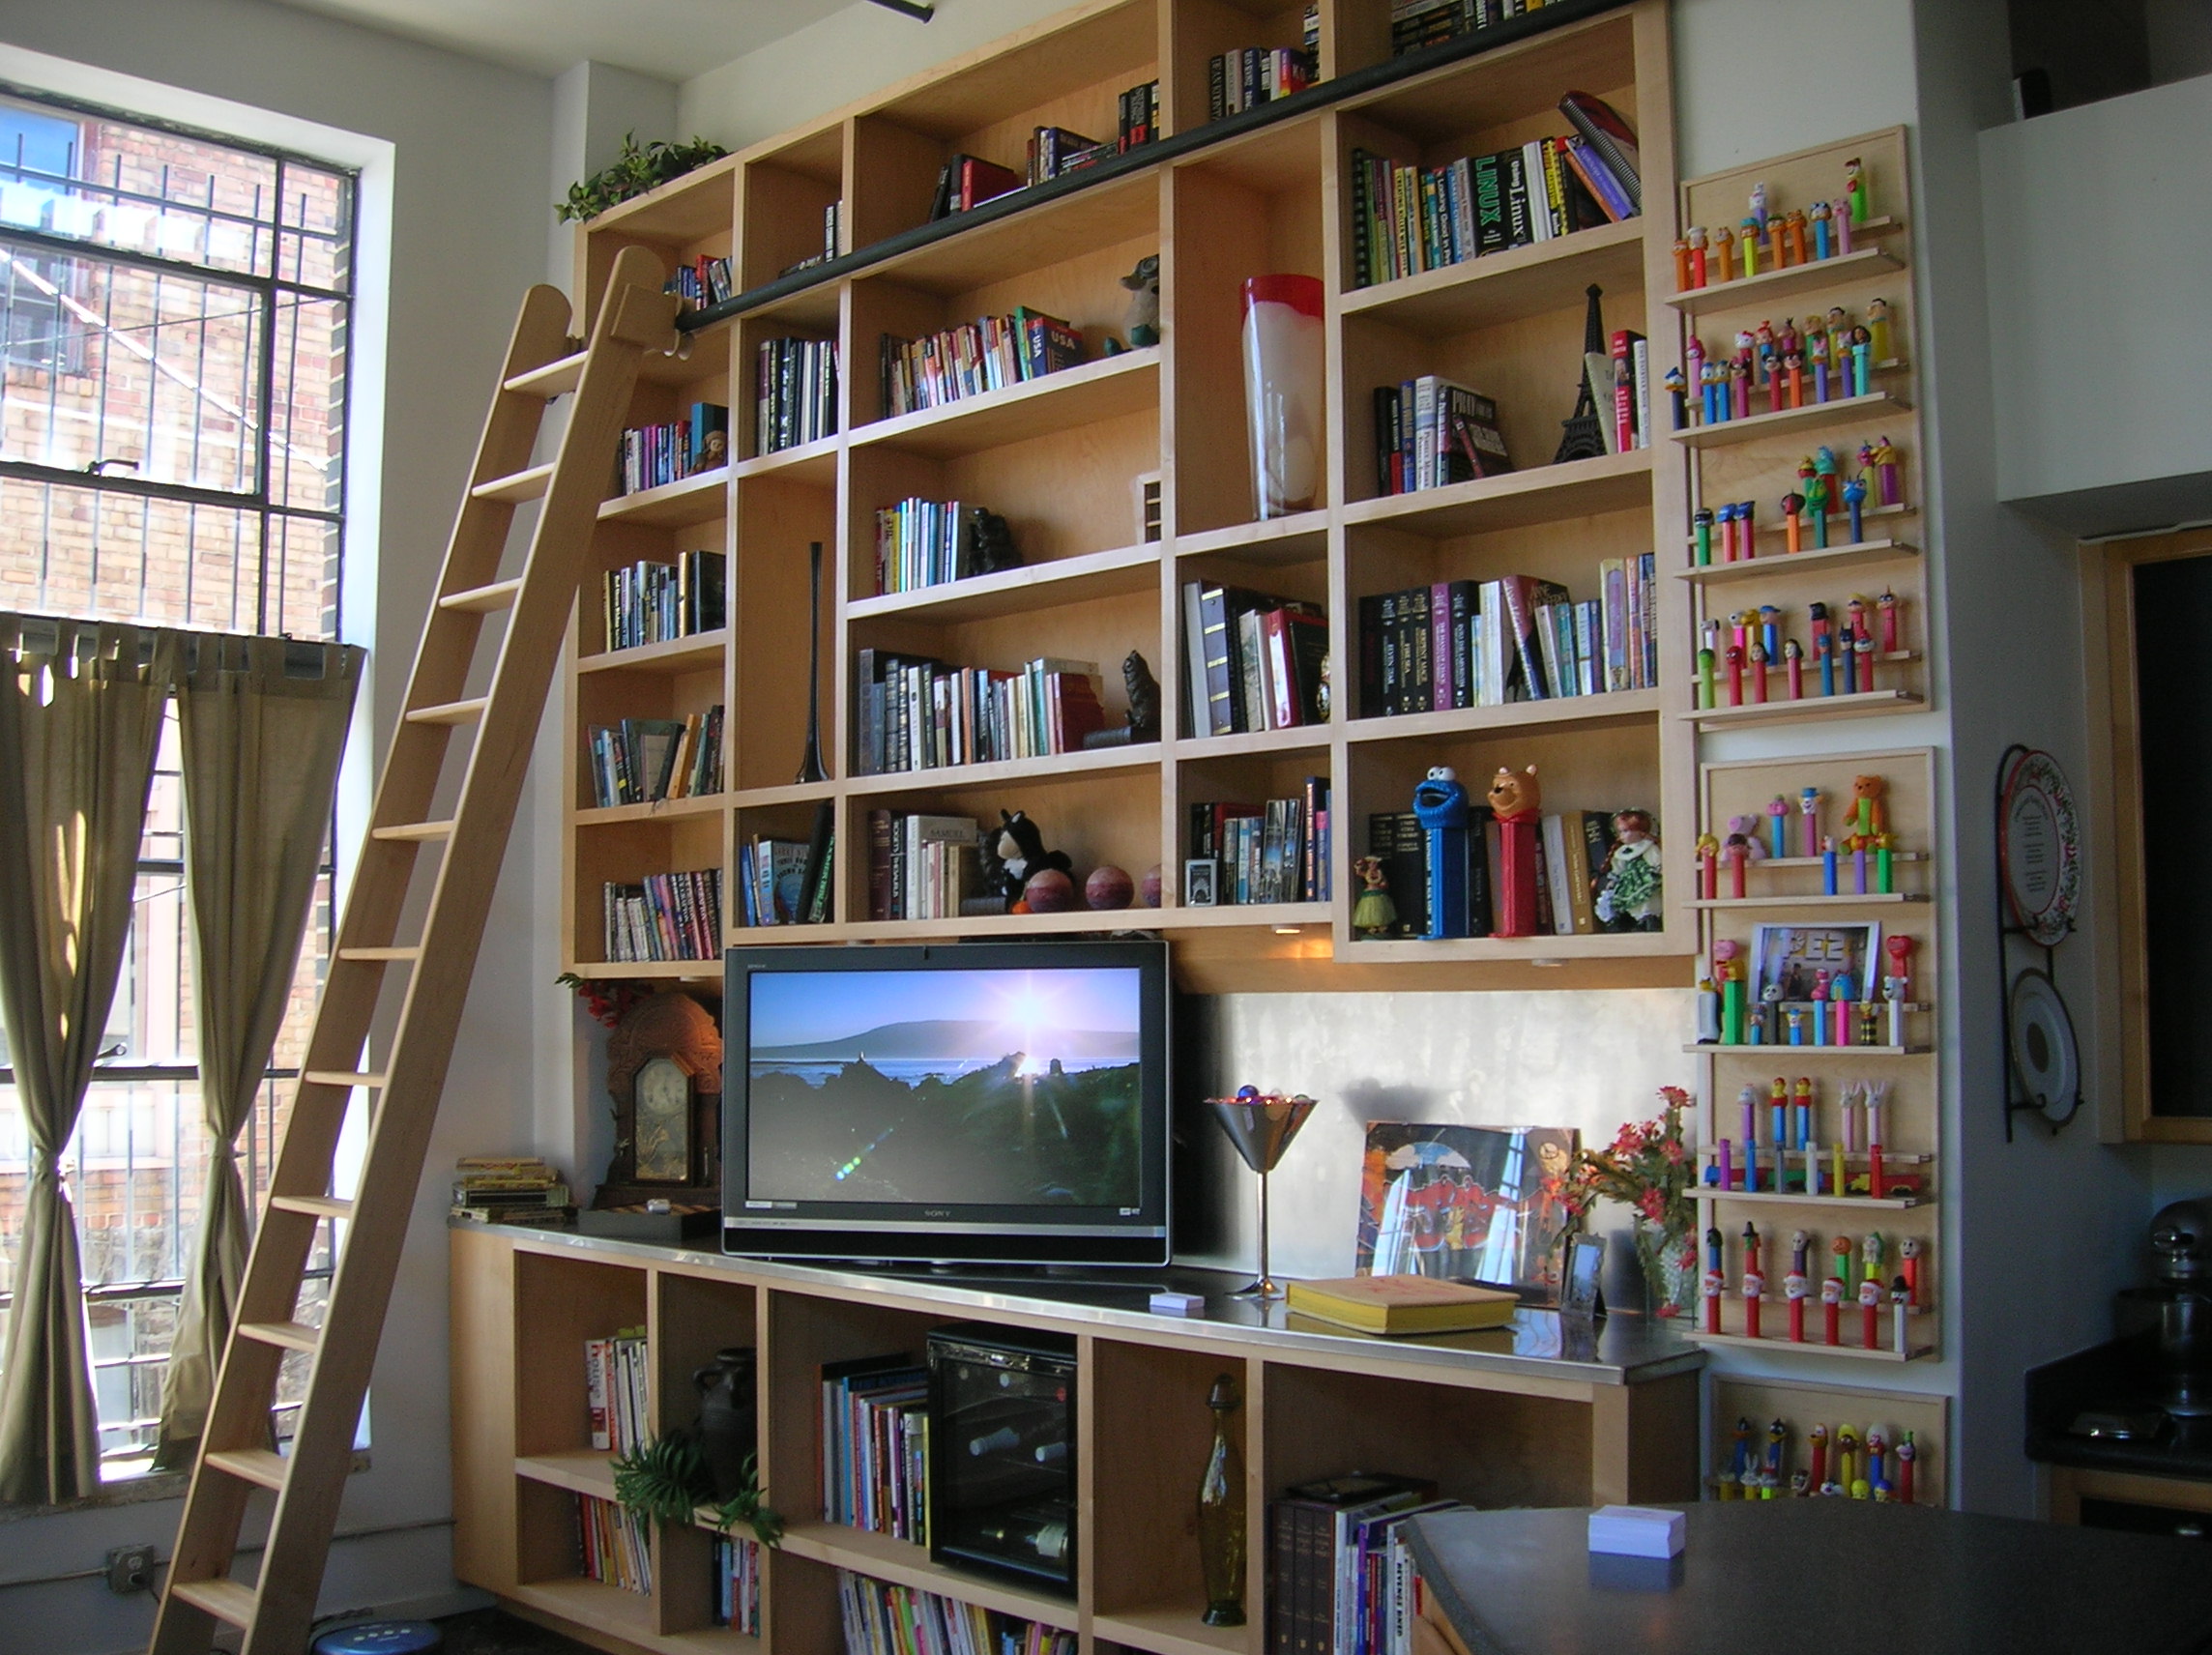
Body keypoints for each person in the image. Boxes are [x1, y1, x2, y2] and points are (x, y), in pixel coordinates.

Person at [1595, 808, 1662, 931]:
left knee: (1647, 900)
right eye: (1620, 832)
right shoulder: (1621, 852)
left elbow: (1656, 862)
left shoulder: (1648, 847)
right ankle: (1636, 921)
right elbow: (1618, 868)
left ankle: (1650, 919)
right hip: (1628, 883)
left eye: (1626, 831)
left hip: (1643, 879)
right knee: (1630, 902)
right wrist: (1613, 880)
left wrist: (1657, 872)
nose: (1622, 836)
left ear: (1640, 832)